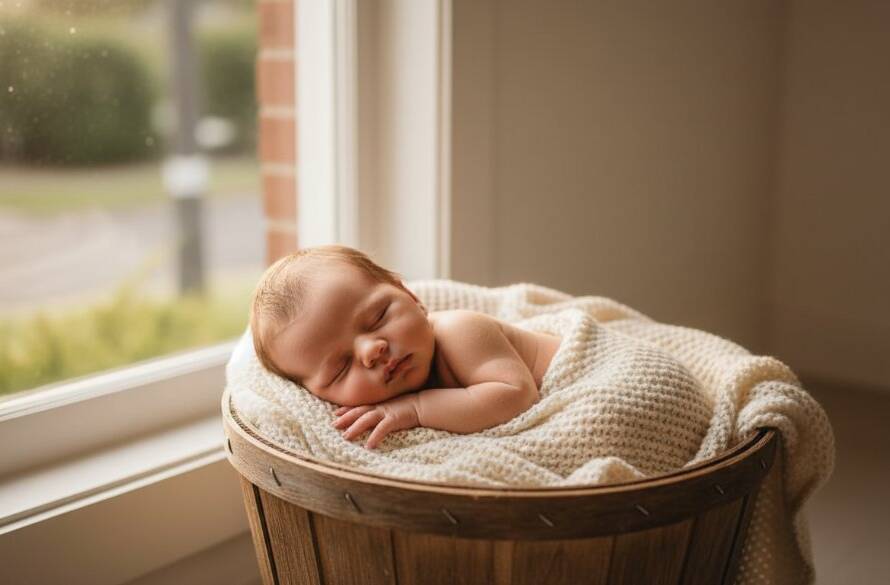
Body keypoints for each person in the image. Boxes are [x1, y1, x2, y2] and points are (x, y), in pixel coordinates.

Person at [250, 245, 562, 449]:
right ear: (319, 395)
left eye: (378, 317)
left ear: (411, 297)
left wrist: (415, 409)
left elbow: (518, 395)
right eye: (341, 368)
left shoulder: (459, 331)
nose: (372, 350)